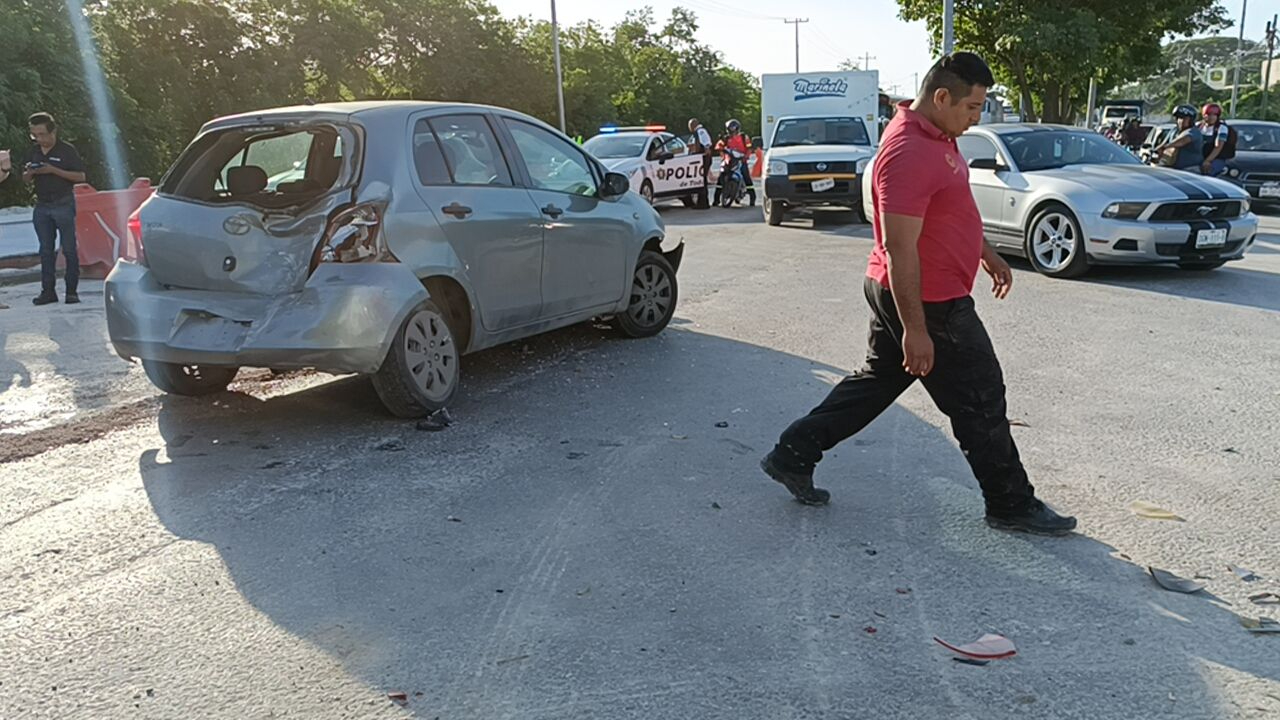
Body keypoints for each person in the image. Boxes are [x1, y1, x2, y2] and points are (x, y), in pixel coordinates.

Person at [759, 51, 1077, 536]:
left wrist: (985, 253)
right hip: (927, 298)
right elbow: (900, 246)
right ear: (942, 96)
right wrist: (915, 329)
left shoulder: (940, 137)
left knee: (877, 383)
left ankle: (793, 452)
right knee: (980, 396)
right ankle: (1010, 503)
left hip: (918, 290)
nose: (976, 119)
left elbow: (953, 209)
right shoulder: (908, 151)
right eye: (972, 108)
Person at [23, 112, 86, 305]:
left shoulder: (67, 150)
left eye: (42, 134)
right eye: (35, 135)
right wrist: (30, 173)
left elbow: (81, 177)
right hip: (42, 205)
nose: (39, 139)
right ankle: (48, 291)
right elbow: (24, 178)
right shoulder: (33, 151)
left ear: (53, 131)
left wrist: (53, 170)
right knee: (45, 250)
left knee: (68, 249)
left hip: (63, 202)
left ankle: (71, 291)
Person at [1153, 105, 1203, 173]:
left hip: (1190, 169)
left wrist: (1166, 147)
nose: (1181, 121)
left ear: (1191, 120)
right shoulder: (1174, 131)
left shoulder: (1194, 132)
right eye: (1179, 118)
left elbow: (1183, 140)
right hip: (1173, 169)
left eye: (1184, 118)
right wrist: (1157, 151)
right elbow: (1163, 144)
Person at [718, 118, 755, 204]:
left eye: (733, 129)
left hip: (741, 160)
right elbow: (719, 146)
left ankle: (752, 198)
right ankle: (716, 199)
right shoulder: (725, 138)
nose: (732, 131)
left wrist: (746, 156)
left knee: (746, 177)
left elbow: (749, 148)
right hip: (729, 160)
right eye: (730, 129)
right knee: (721, 177)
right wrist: (722, 152)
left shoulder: (744, 137)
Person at [1198, 103, 1234, 176]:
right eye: (1209, 114)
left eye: (1214, 115)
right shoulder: (1199, 126)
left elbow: (1218, 146)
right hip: (1199, 157)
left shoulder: (1221, 128)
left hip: (1216, 158)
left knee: (1208, 172)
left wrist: (1207, 161)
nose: (1211, 117)